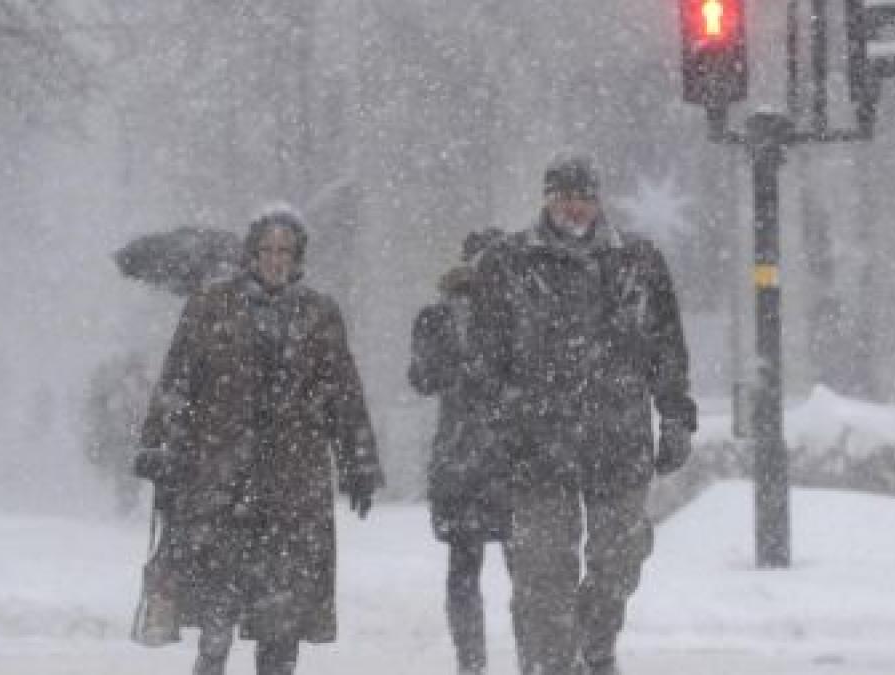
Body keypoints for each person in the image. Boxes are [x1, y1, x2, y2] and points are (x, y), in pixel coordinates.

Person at [470, 154, 698, 675]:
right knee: (543, 571)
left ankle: (594, 644)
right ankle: (553, 661)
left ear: (599, 201)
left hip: (617, 437)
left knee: (620, 558)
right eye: (563, 196)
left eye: (583, 197)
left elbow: (666, 348)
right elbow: (485, 359)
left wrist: (676, 415)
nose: (573, 208)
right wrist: (495, 427)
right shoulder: (508, 263)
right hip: (537, 443)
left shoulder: (638, 262)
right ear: (546, 199)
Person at [134, 204, 384, 675]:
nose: (275, 260)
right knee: (215, 621)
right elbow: (178, 382)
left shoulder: (318, 312)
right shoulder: (211, 304)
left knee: (280, 624)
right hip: (220, 481)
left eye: (284, 251)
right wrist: (162, 448)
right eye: (266, 249)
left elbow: (344, 394)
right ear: (250, 253)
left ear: (298, 257)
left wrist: (359, 462)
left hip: (293, 488)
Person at [408, 232, 510, 675]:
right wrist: (461, 353)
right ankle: (470, 664)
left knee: (528, 572)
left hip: (513, 459)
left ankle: (538, 659)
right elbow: (422, 377)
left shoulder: (520, 315)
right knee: (464, 569)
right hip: (462, 460)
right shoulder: (436, 317)